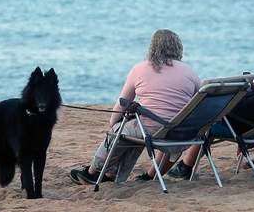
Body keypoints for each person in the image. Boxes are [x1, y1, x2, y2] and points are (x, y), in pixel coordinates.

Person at [72, 29, 201, 185]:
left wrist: (114, 123)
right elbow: (198, 104)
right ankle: (112, 176)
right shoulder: (190, 72)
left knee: (120, 131)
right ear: (178, 47)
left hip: (151, 130)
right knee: (134, 129)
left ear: (152, 47)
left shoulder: (139, 69)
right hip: (181, 135)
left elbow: (122, 103)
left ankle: (93, 172)